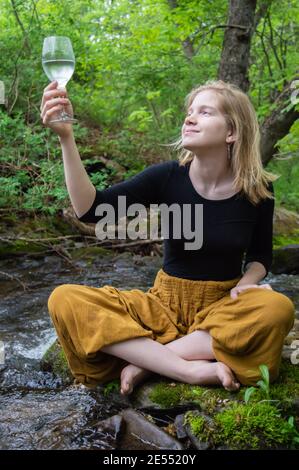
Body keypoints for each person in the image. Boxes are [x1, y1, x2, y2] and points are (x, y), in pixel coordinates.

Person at [41, 79, 295, 395]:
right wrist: (67, 138)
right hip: (162, 306)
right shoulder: (166, 177)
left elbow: (261, 257)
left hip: (221, 309)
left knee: (277, 308)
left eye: (205, 112)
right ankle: (188, 367)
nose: (189, 118)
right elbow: (91, 209)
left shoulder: (259, 190)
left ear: (232, 132)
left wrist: (247, 284)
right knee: (65, 299)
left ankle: (146, 362)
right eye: (190, 111)